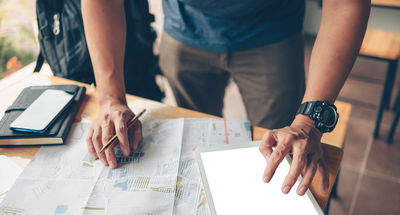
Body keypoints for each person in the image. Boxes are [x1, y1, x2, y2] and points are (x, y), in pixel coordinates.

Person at [82, 0, 370, 196]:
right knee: (192, 148)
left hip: (273, 32)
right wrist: (109, 97)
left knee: (282, 155)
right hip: (184, 29)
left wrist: (308, 122)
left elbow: (346, 5)